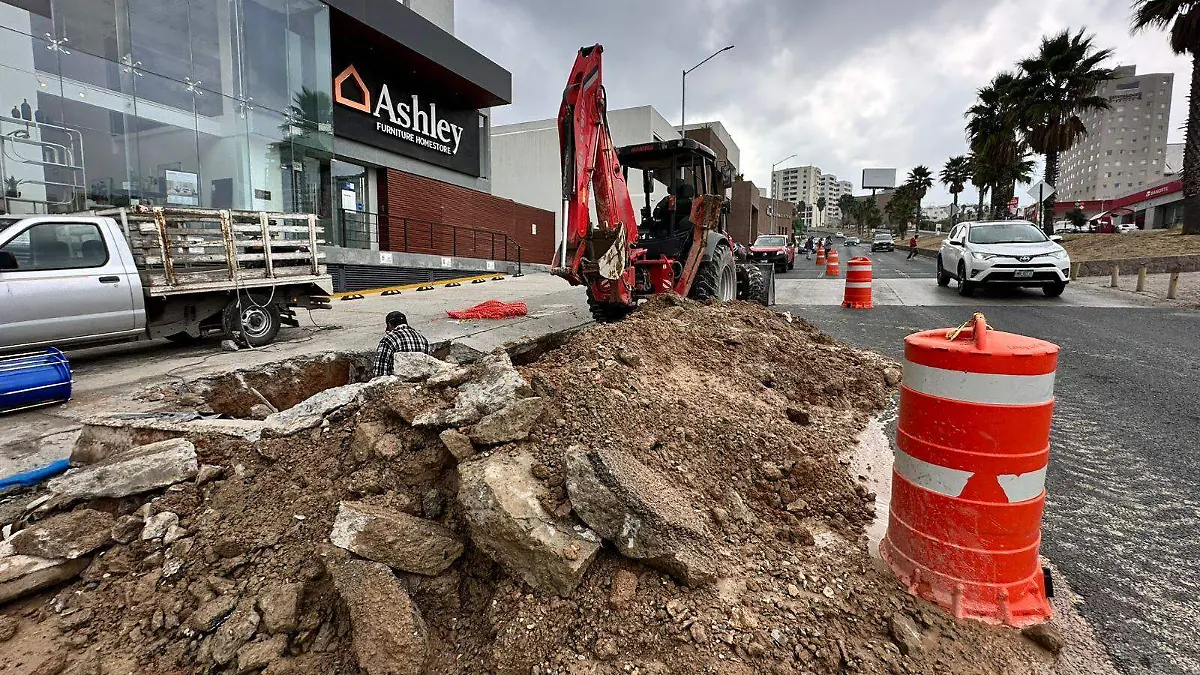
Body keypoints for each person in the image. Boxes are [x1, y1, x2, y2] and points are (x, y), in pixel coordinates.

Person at [372, 311, 430, 378]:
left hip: (397, 384)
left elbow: (379, 372)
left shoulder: (388, 340)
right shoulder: (423, 339)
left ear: (389, 325)